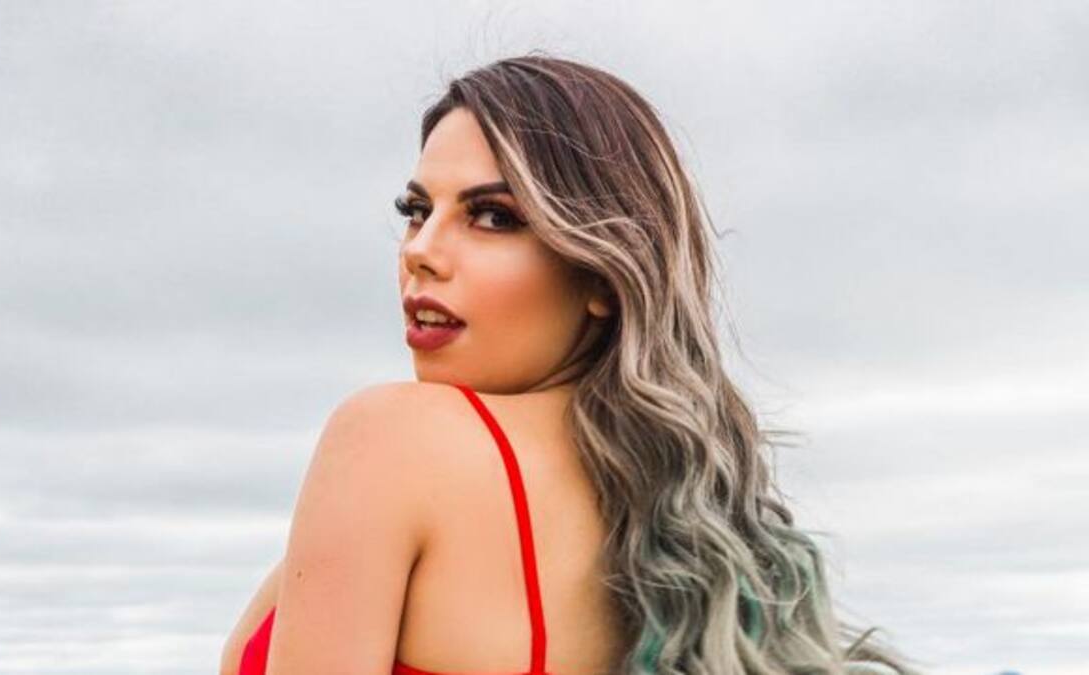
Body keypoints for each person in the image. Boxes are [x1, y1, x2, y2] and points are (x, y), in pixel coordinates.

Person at [220, 52, 921, 675]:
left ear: (602, 274)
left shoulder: (390, 439)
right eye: (417, 209)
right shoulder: (672, 516)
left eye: (493, 216)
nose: (420, 250)